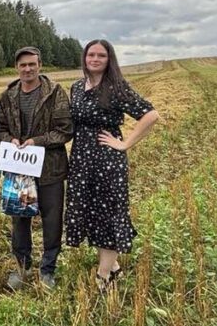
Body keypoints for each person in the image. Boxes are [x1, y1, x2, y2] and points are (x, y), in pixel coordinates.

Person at [65, 39, 160, 290]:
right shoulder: (76, 87)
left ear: (109, 60)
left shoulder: (116, 87)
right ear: (84, 58)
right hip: (81, 159)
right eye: (91, 55)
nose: (95, 59)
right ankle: (113, 266)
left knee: (107, 213)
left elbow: (150, 115)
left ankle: (103, 276)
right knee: (90, 211)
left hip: (107, 160)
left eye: (101, 55)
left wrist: (125, 143)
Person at [0, 47, 73, 290]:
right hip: (19, 169)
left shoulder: (55, 93)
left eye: (32, 64)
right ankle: (22, 267)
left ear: (40, 65)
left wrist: (37, 141)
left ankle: (48, 269)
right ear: (16, 67)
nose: (28, 69)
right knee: (19, 219)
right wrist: (10, 140)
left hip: (50, 169)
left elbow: (66, 130)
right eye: (23, 65)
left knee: (52, 220)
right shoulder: (7, 96)